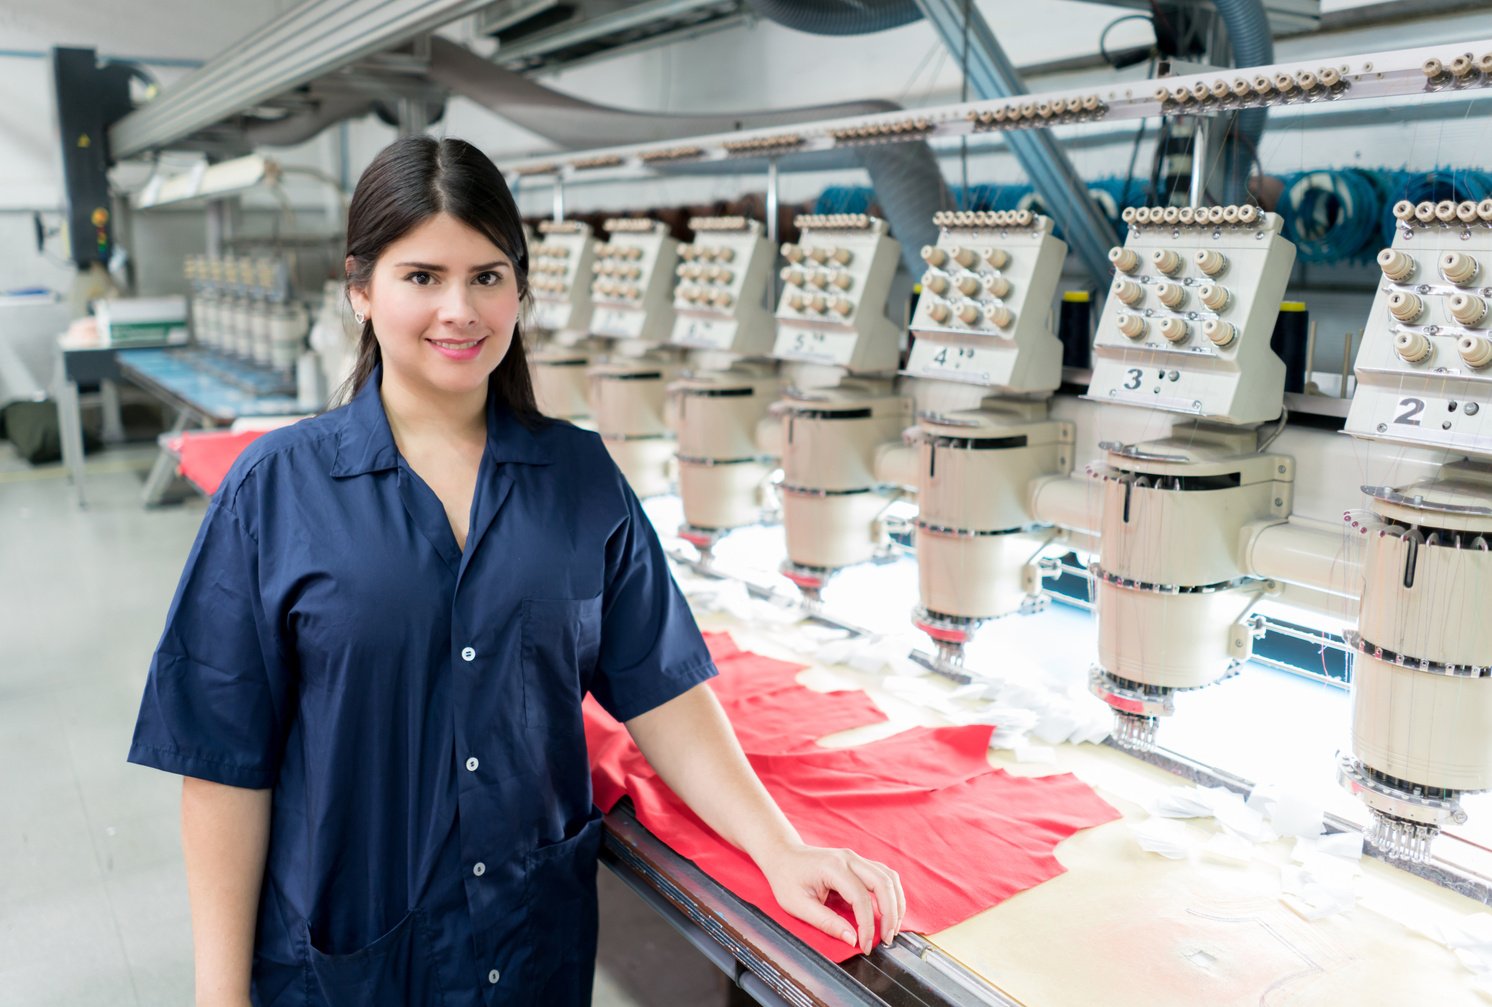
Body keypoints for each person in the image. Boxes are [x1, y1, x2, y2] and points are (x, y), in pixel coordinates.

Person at [128, 135, 905, 1007]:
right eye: (422, 276)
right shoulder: (276, 491)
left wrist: (780, 846)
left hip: (527, 953)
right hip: (351, 966)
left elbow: (663, 689)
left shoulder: (578, 478)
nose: (459, 309)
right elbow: (226, 765)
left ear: (520, 290)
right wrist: (218, 995)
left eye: (487, 276)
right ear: (360, 289)